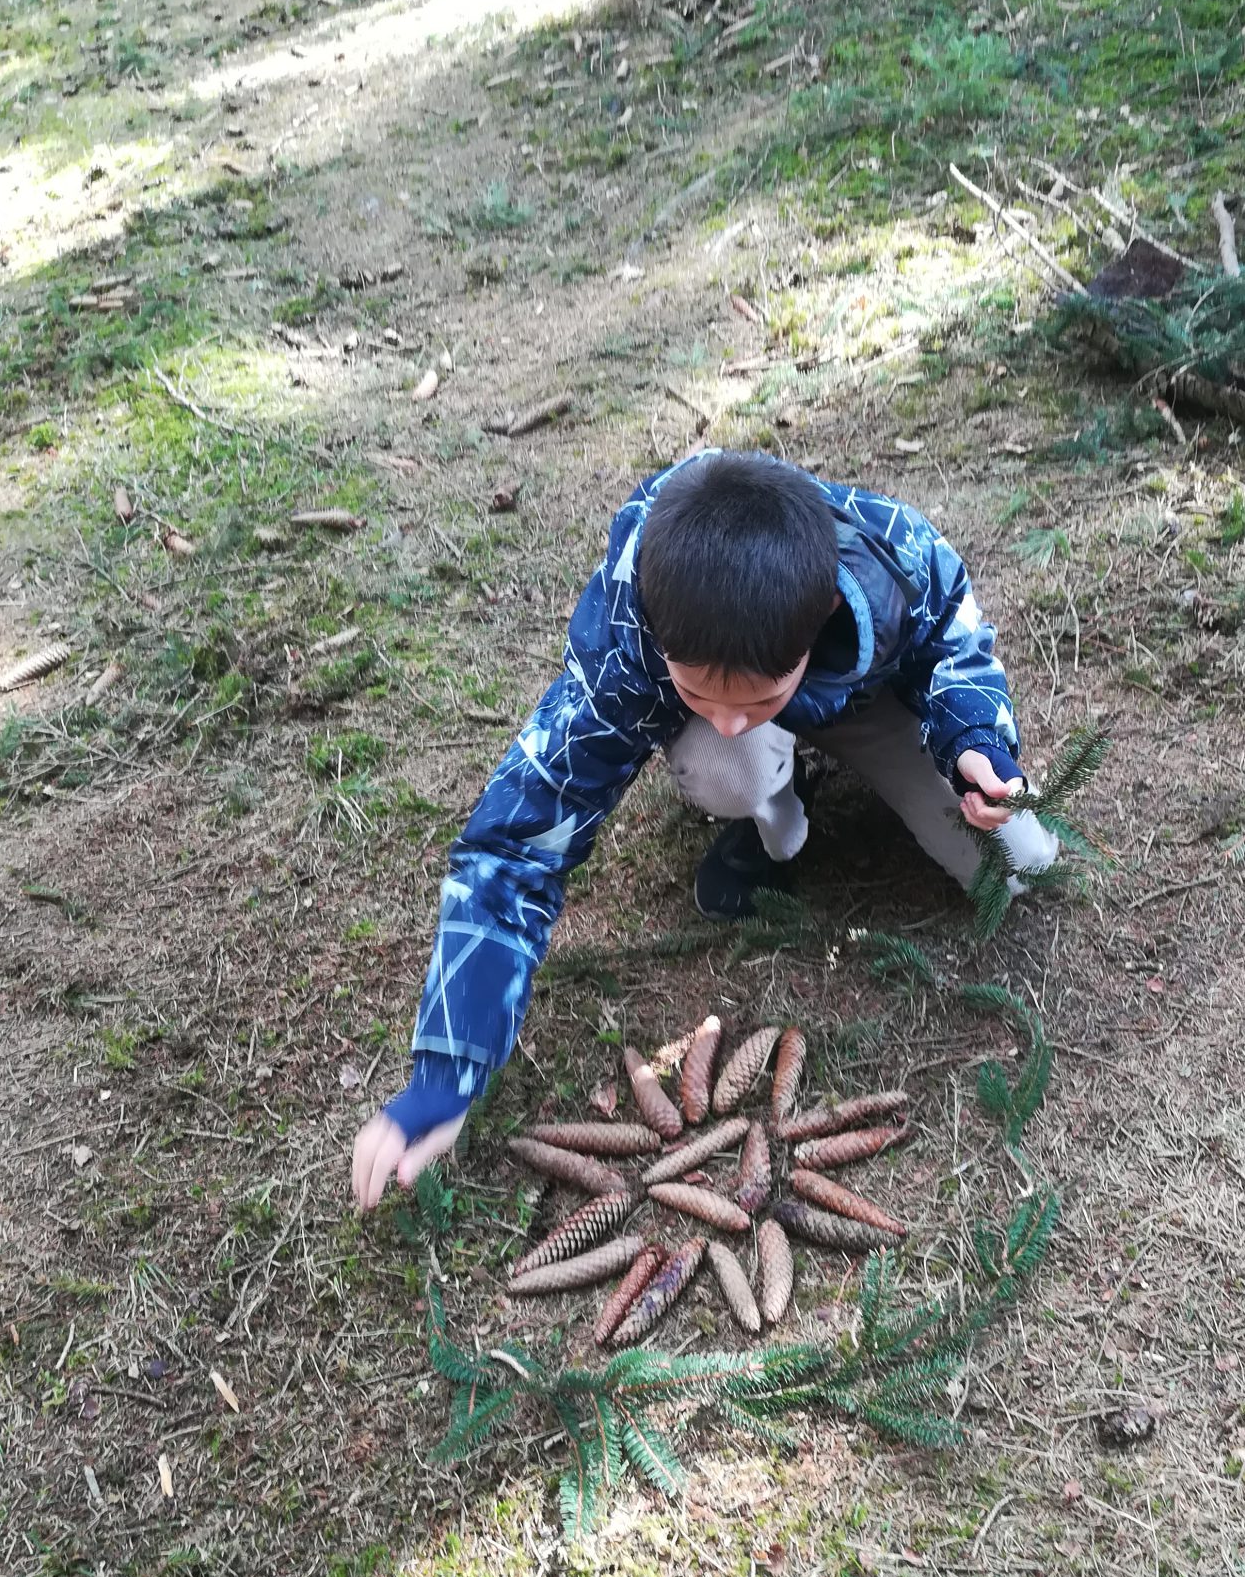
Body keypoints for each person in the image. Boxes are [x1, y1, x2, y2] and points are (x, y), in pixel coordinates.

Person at [351, 451, 1056, 1210]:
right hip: (737, 711)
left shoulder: (896, 557)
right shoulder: (628, 646)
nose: (724, 717)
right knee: (725, 755)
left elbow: (955, 640)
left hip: (862, 694)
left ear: (819, 620)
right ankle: (772, 814)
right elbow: (513, 846)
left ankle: (824, 750)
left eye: (750, 699)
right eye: (697, 689)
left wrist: (974, 740)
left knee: (1018, 862)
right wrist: (445, 1073)